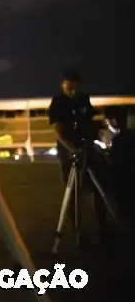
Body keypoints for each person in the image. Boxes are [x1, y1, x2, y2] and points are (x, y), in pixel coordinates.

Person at [47, 68, 108, 243]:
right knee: (72, 191)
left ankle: (102, 228)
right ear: (63, 84)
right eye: (69, 86)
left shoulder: (83, 99)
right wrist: (71, 148)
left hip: (87, 149)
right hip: (69, 153)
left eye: (76, 85)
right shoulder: (58, 102)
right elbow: (58, 130)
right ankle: (77, 230)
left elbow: (90, 119)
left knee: (98, 189)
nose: (73, 89)